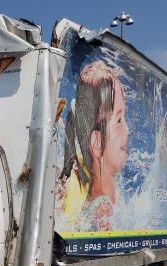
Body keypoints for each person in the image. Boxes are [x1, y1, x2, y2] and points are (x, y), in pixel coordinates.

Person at [58, 60, 129, 231]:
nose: (127, 130)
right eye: (119, 120)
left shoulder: (77, 182)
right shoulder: (103, 210)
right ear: (96, 141)